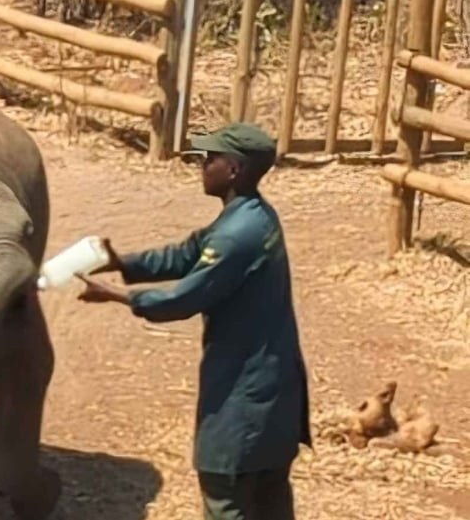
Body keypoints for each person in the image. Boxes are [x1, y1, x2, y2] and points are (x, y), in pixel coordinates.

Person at [77, 122, 310, 520]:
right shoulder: (254, 215)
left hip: (243, 401)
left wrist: (117, 295)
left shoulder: (237, 235)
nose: (201, 164)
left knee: (226, 495)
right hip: (275, 397)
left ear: (233, 169)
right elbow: (189, 254)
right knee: (270, 501)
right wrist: (124, 263)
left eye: (210, 158)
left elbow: (182, 299)